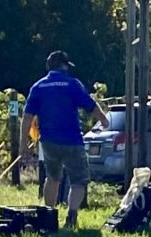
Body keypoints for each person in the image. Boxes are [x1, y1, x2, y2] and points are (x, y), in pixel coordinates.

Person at [26, 52, 105, 225]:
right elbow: (90, 105)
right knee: (78, 180)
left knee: (52, 178)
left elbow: (27, 116)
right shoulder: (72, 84)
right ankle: (71, 216)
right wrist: (104, 120)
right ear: (63, 65)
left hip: (48, 141)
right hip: (72, 141)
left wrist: (24, 143)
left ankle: (49, 215)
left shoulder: (38, 87)